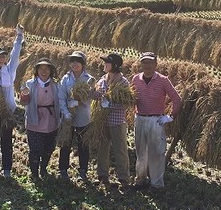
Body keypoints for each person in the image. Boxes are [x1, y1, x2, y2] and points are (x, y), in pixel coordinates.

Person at [131, 52, 182, 192]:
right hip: (140, 118)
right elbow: (132, 98)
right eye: (144, 62)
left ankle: (157, 184)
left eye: (150, 62)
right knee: (141, 153)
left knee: (157, 153)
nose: (147, 65)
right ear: (141, 64)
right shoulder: (136, 79)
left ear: (155, 64)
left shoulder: (163, 80)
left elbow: (176, 99)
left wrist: (170, 116)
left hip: (156, 120)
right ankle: (141, 180)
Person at [0, 24, 24, 178]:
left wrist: (19, 36)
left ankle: (7, 169)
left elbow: (15, 54)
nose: (2, 58)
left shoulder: (9, 70)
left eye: (3, 56)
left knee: (6, 141)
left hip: (8, 112)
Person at [20, 58, 60, 180]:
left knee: (49, 148)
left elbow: (61, 100)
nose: (44, 71)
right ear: (36, 70)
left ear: (51, 71)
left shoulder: (56, 85)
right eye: (41, 68)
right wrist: (25, 94)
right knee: (35, 149)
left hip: (51, 120)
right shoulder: (30, 84)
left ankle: (43, 169)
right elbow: (23, 102)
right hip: (35, 120)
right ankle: (34, 173)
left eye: (47, 68)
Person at [95, 53, 131, 188]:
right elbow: (97, 95)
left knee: (120, 149)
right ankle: (103, 176)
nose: (104, 65)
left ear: (114, 65)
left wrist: (109, 105)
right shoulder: (103, 80)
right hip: (102, 121)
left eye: (107, 63)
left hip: (117, 121)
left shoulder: (123, 82)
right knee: (102, 148)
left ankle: (124, 178)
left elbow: (125, 102)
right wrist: (88, 92)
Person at [58, 51, 95, 181]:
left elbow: (91, 97)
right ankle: (63, 169)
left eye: (78, 61)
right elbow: (61, 98)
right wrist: (66, 112)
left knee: (83, 144)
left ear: (83, 64)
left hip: (83, 117)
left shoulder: (88, 79)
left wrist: (79, 101)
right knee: (66, 143)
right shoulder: (65, 79)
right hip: (68, 118)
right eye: (72, 61)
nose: (75, 64)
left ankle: (83, 170)